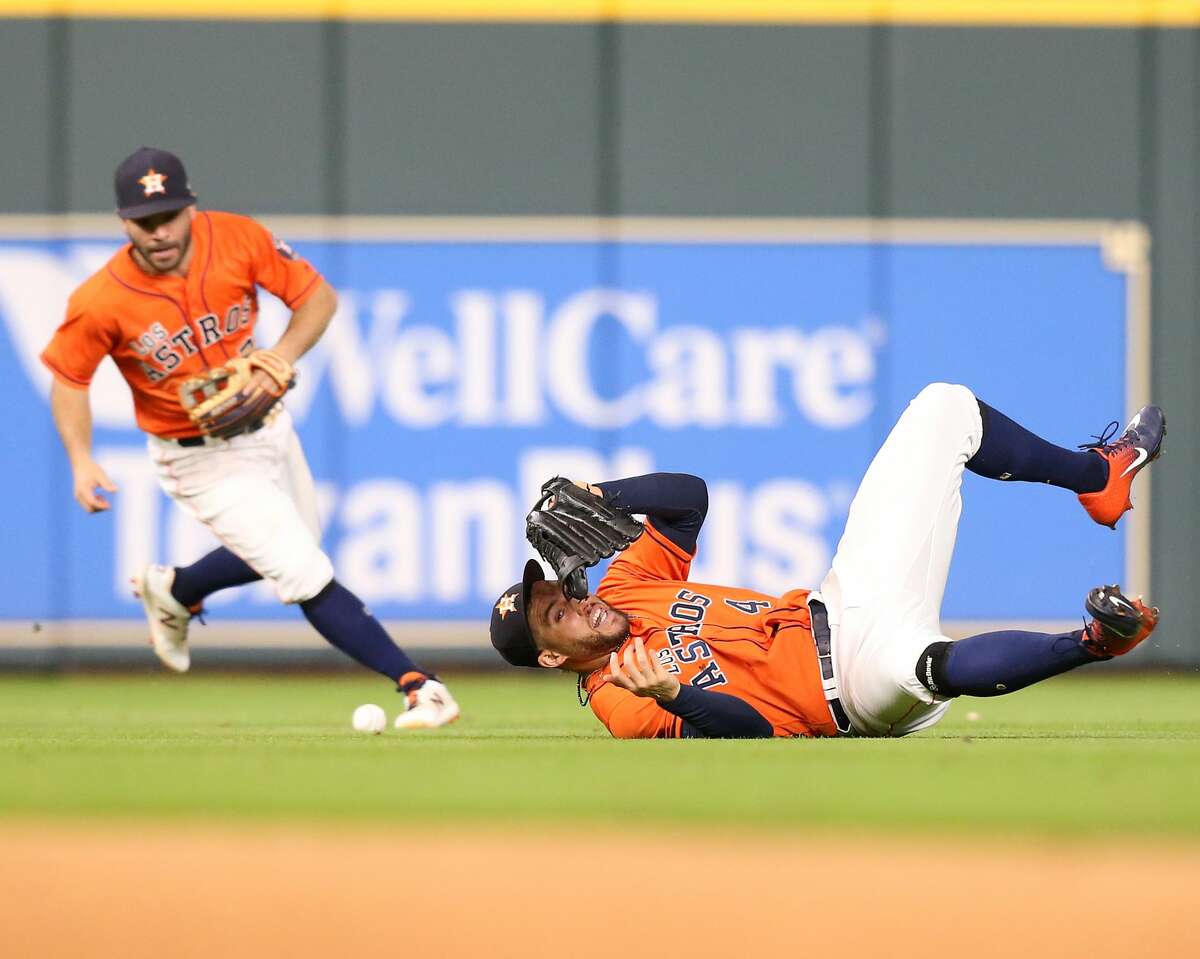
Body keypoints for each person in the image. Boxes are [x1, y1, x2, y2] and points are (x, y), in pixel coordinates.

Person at [42, 146, 458, 729]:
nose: (159, 232)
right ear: (123, 221)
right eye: (144, 221)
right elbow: (69, 379)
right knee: (302, 569)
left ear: (190, 207)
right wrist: (81, 459)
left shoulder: (238, 239)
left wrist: (278, 358)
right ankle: (419, 686)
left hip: (269, 428)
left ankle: (178, 589)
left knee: (300, 544)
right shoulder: (100, 300)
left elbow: (318, 297)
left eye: (169, 216)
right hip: (197, 458)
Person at [489, 383, 1164, 739]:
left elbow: (686, 500)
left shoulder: (630, 586)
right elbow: (750, 731)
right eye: (556, 615)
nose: (576, 601)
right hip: (854, 691)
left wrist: (601, 493)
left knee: (943, 408)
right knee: (925, 665)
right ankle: (1094, 641)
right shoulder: (623, 699)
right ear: (551, 656)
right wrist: (675, 693)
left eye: (564, 589)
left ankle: (1098, 477)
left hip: (840, 600)